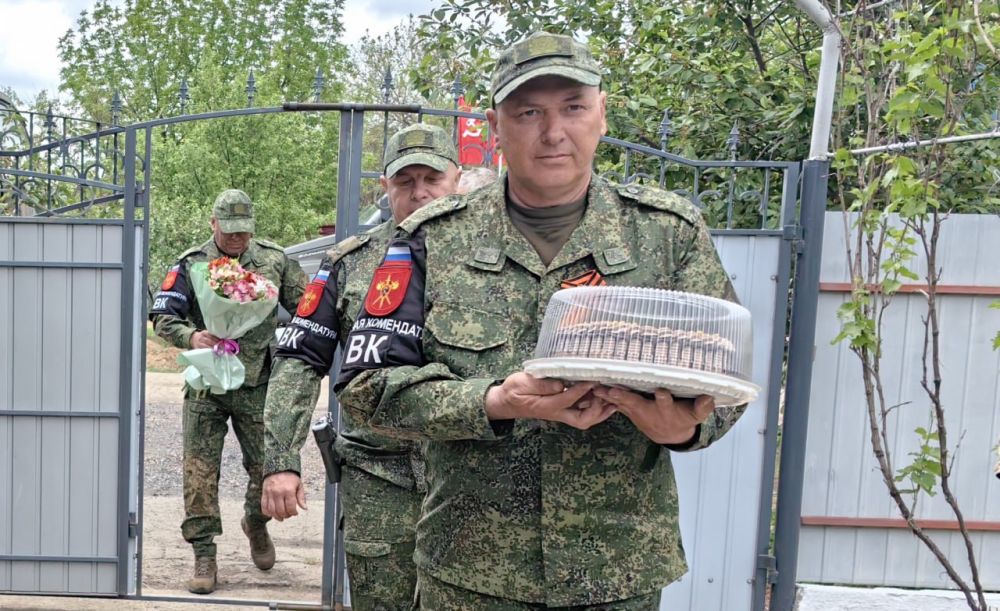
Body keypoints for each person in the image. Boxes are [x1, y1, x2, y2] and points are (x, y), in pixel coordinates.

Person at [335, 31, 746, 609]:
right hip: (471, 572)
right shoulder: (429, 238)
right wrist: (494, 402)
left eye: (573, 107)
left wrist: (683, 428)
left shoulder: (668, 235)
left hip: (617, 571)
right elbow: (366, 388)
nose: (553, 133)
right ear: (495, 126)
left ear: (602, 113)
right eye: (528, 112)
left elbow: (725, 380)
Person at [261, 123, 461, 611]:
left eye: (431, 179)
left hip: (471, 478)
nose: (419, 193)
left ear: (457, 178)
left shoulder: (500, 257)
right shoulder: (347, 263)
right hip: (379, 477)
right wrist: (281, 461)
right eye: (404, 181)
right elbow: (298, 361)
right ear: (386, 187)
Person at [150, 189, 307, 595]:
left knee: (266, 469)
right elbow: (163, 316)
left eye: (244, 231)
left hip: (258, 383)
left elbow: (308, 309)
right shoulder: (191, 264)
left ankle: (256, 523)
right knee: (199, 472)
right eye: (230, 231)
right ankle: (204, 553)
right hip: (207, 386)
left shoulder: (275, 259)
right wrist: (192, 336)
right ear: (213, 223)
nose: (237, 239)